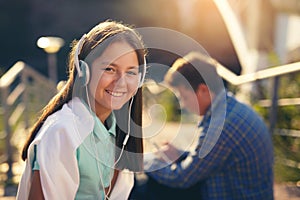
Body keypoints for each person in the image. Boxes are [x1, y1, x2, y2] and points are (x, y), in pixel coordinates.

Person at [16, 20, 147, 200]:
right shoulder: (62, 131)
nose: (121, 82)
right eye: (110, 69)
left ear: (140, 78)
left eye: (131, 72)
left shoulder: (119, 133)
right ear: (84, 70)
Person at [143, 52, 274, 199]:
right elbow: (208, 161)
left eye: (184, 96)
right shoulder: (230, 109)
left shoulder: (220, 126)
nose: (182, 104)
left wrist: (145, 163)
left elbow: (182, 178)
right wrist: (179, 155)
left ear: (203, 90)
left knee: (152, 186)